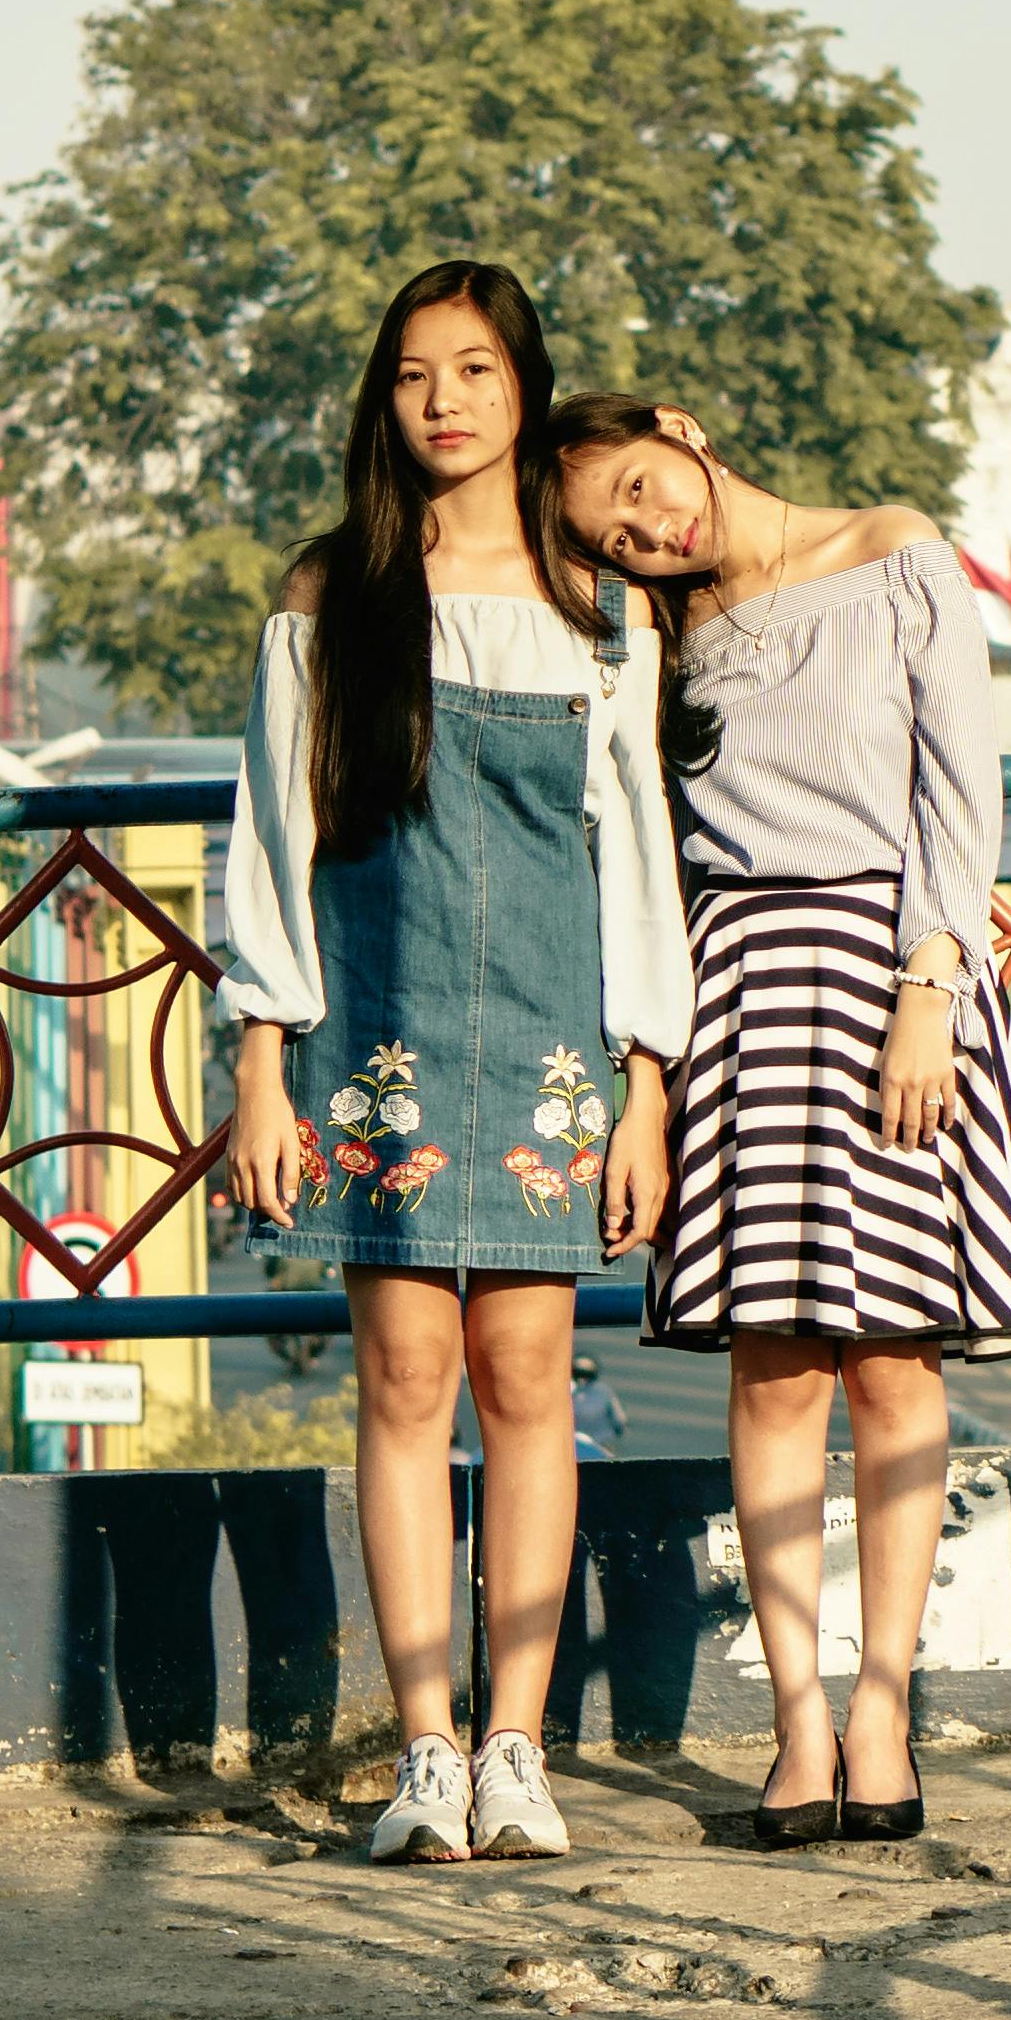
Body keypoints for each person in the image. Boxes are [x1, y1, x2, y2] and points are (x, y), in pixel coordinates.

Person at [550, 391, 1011, 1849]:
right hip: (736, 992)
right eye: (620, 532)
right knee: (775, 1373)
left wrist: (929, 987)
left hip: (895, 974)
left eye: (647, 485)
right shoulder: (651, 639)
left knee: (897, 1361)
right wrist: (647, 1065)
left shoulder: (896, 551)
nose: (656, 528)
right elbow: (640, 845)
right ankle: (792, 1722)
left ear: (684, 427)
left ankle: (885, 1710)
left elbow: (960, 796)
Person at [224, 263, 691, 1865]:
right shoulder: (325, 595)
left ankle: (516, 1743)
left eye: (476, 371)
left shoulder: (599, 611)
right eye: (416, 374)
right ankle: (422, 1751)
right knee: (404, 1385)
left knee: (530, 1387)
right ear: (383, 398)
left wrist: (649, 1081)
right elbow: (272, 843)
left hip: (559, 1045)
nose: (443, 401)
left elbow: (639, 857)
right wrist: (259, 1061)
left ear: (523, 389)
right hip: (382, 1035)